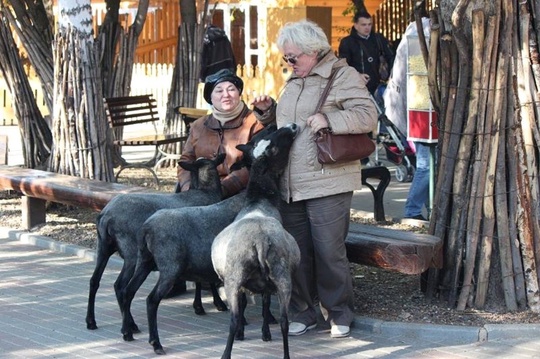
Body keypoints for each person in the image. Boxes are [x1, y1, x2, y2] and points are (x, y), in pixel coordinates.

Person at [256, 20, 378, 339]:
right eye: (286, 58)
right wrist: (268, 113)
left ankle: (339, 312)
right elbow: (291, 126)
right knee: (295, 251)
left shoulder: (342, 75)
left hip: (329, 180)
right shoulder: (295, 81)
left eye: (293, 57)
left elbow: (368, 115)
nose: (289, 63)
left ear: (313, 51)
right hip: (292, 182)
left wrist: (330, 119)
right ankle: (303, 311)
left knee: (328, 251)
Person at [176, 68, 274, 198]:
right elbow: (186, 160)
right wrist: (187, 187)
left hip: (240, 193)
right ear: (210, 97)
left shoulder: (255, 122)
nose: (226, 95)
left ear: (239, 93)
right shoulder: (198, 126)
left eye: (231, 89)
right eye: (219, 90)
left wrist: (223, 189)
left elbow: (254, 163)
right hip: (199, 192)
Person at [383, 13, 433, 221]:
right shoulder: (418, 38)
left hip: (419, 112)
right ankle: (412, 210)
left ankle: (426, 209)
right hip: (420, 113)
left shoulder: (413, 37)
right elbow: (413, 83)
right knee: (426, 165)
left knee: (429, 165)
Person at [338, 10, 395, 95]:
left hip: (379, 88)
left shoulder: (378, 39)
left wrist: (391, 77)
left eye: (369, 24)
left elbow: (391, 58)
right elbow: (343, 66)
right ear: (356, 25)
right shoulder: (347, 42)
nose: (367, 27)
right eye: (363, 25)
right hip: (357, 88)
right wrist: (357, 75)